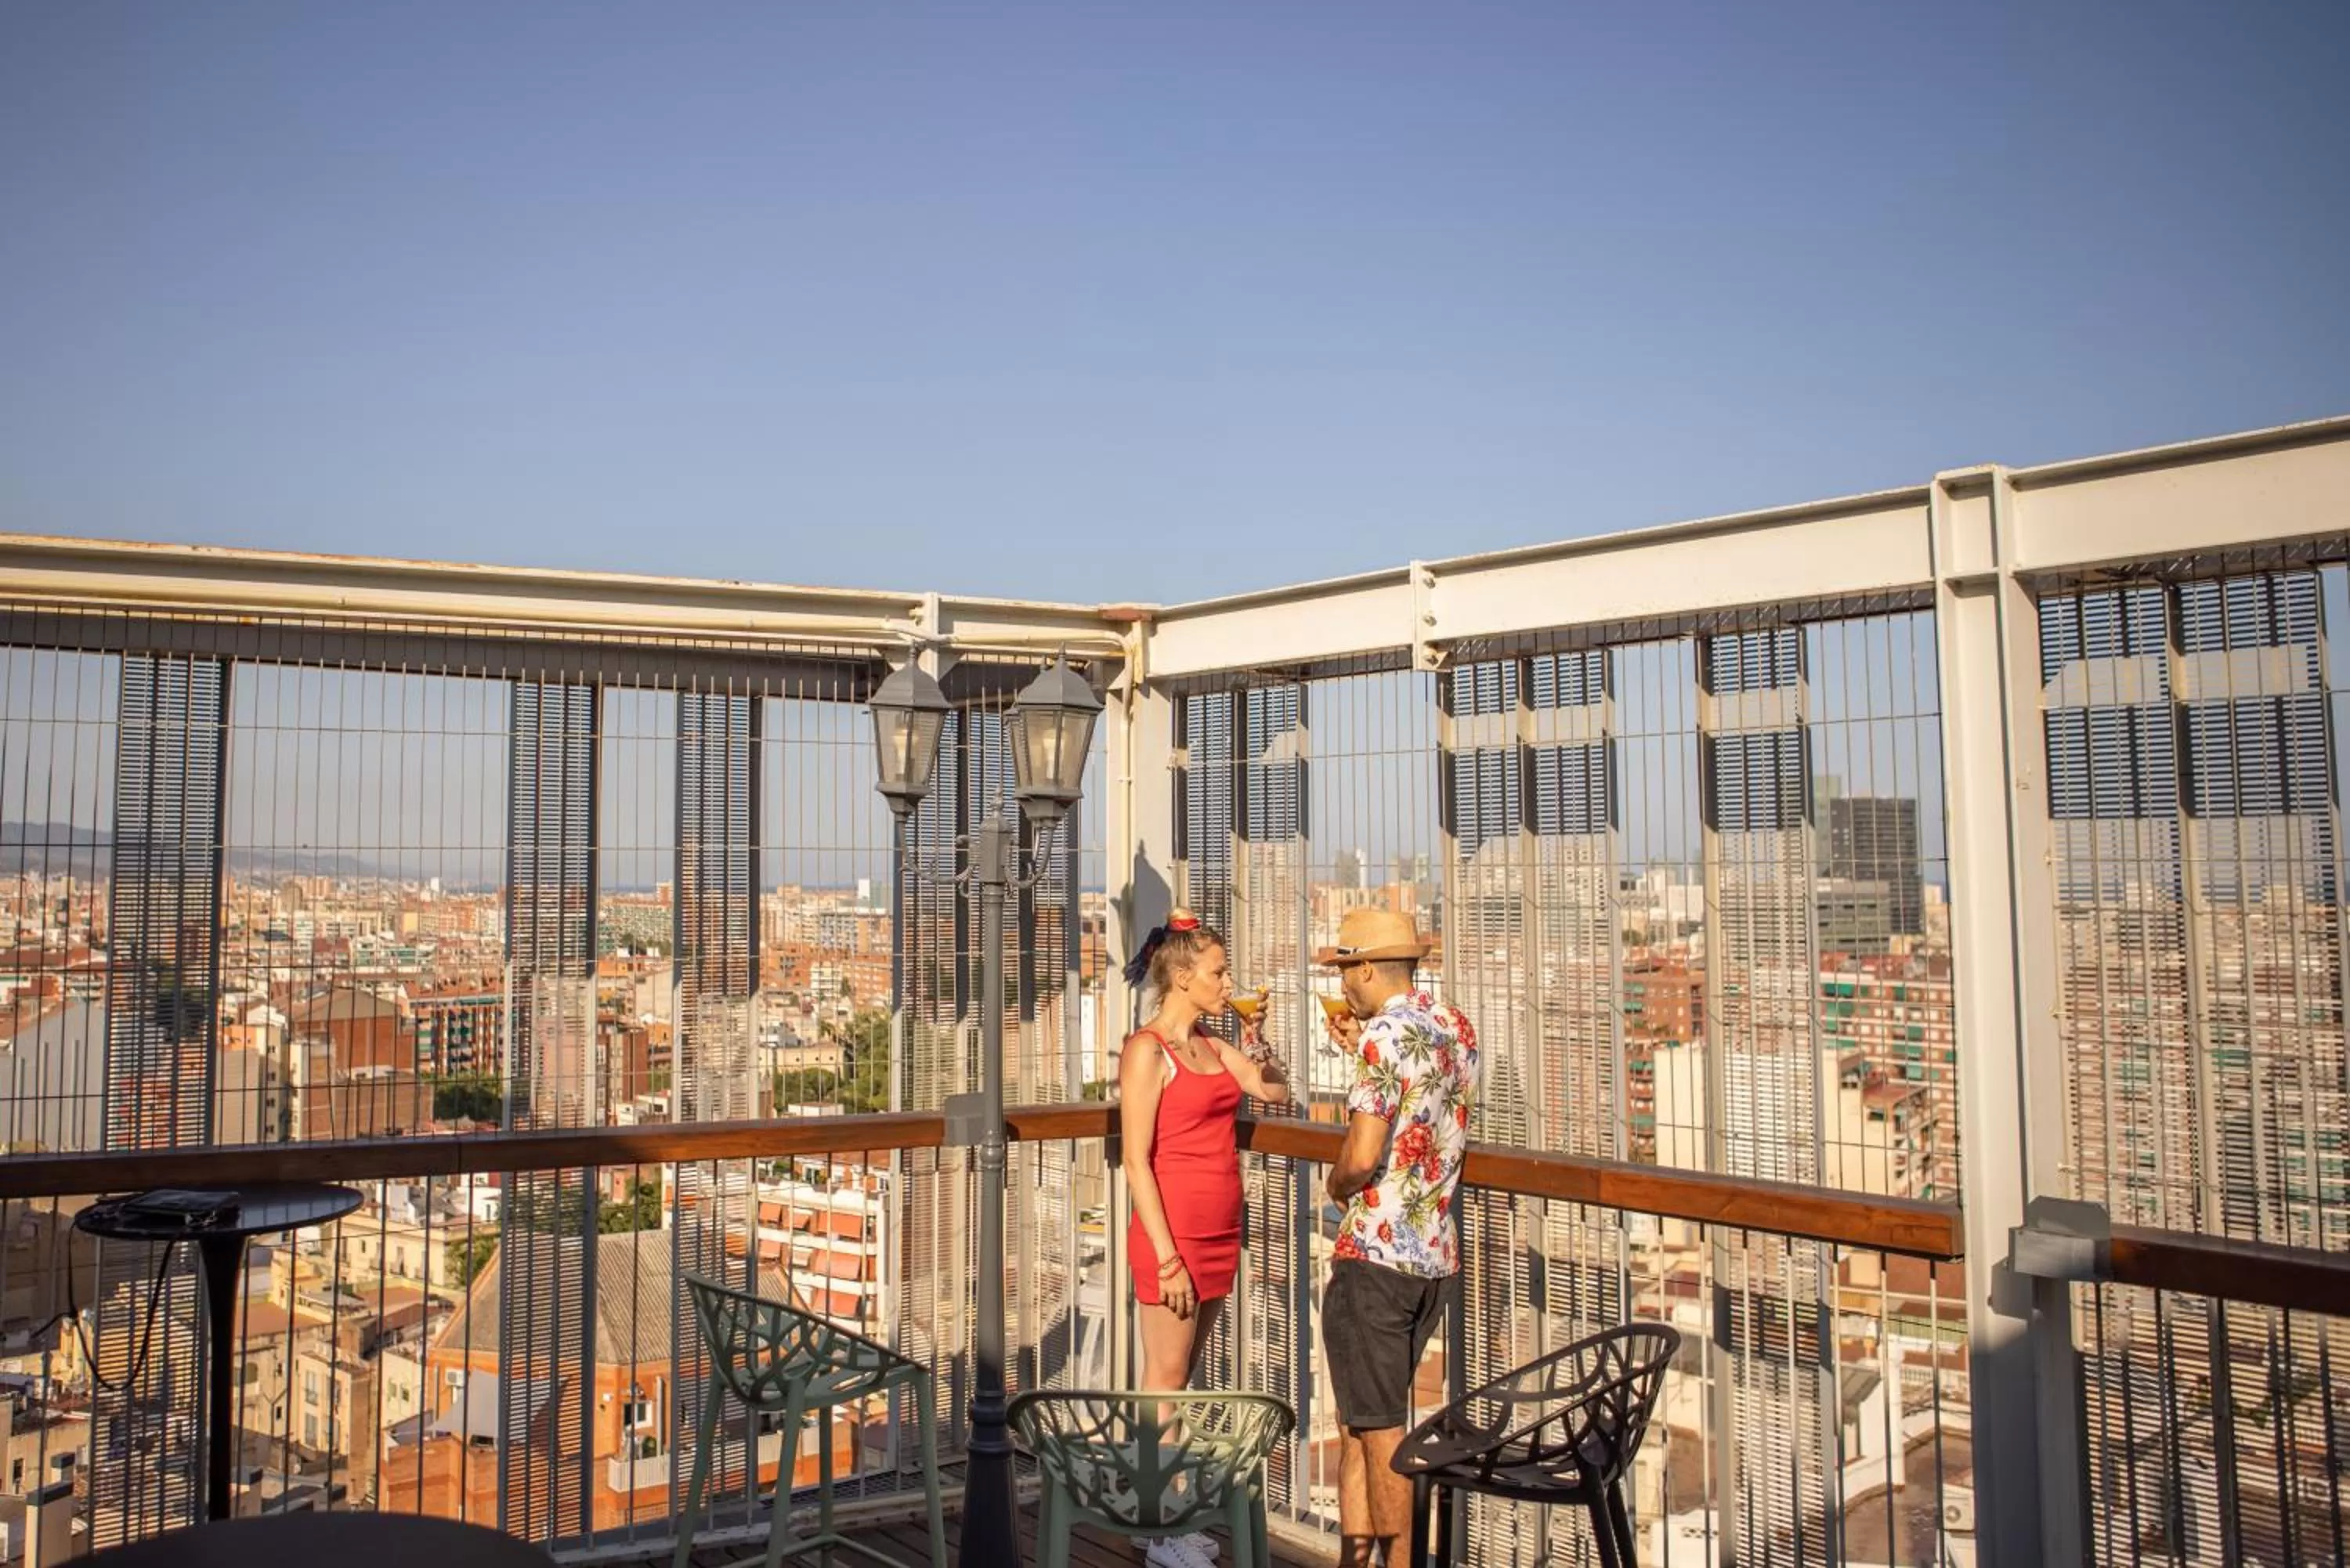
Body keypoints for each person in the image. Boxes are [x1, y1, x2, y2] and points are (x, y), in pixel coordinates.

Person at [1119, 909, 1291, 1568]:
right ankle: (1164, 1528)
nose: (1228, 981)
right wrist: (1166, 1259)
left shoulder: (1215, 1046)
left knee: (1178, 1378)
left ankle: (1151, 1510)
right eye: (1219, 972)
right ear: (1184, 975)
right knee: (1165, 1378)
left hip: (1221, 1232)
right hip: (1174, 1239)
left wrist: (1259, 1036)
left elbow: (1274, 1093)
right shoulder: (1146, 1051)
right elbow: (1137, 1160)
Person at [1316, 906, 1477, 1568]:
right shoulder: (1453, 1025)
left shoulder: (1385, 1035)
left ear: (1367, 969)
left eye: (1346, 969)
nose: (1344, 984)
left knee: (1380, 1433)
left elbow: (1362, 1153)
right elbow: (1424, 1098)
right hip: (1434, 1253)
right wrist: (1361, 1046)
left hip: (1376, 1257)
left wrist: (1335, 1187)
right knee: (1361, 1421)